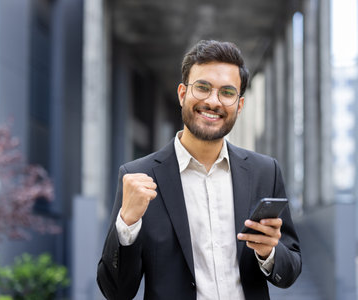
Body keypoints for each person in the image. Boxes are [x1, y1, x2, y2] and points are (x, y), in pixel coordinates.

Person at [97, 40, 301, 300]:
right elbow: (116, 291)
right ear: (182, 94)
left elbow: (291, 267)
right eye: (203, 88)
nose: (213, 101)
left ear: (239, 105)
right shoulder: (140, 177)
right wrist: (127, 223)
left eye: (227, 92)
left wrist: (269, 252)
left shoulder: (265, 171)